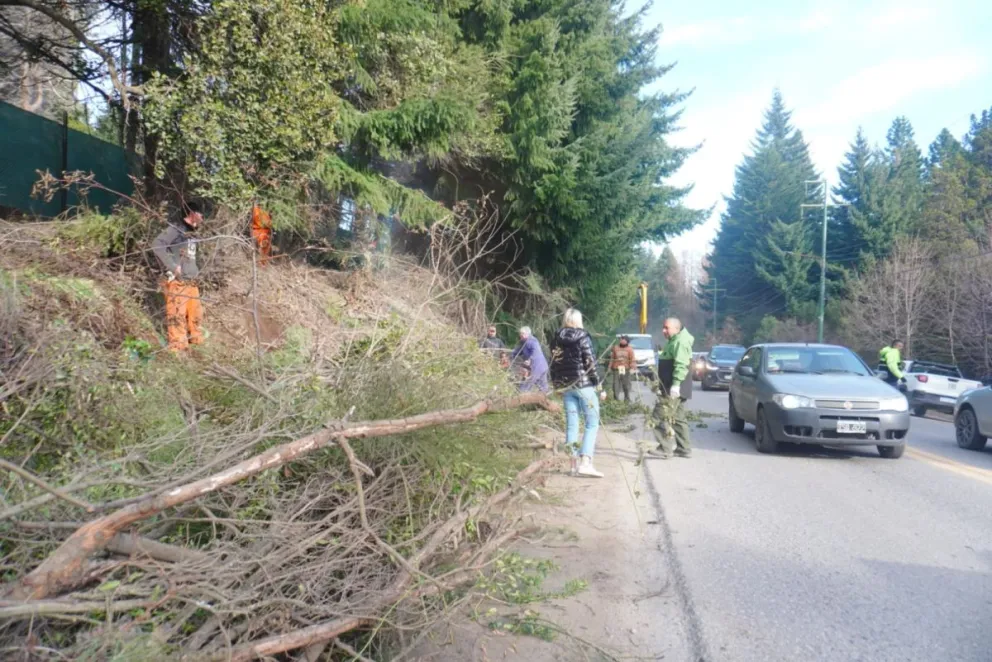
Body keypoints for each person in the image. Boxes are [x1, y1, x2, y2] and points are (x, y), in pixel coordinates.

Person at [550, 308, 605, 478]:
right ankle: (586, 463)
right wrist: (598, 385)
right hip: (584, 386)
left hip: (567, 387)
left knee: (572, 425)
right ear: (579, 320)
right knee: (592, 422)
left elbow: (553, 364)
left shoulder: (556, 339)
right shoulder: (583, 337)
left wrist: (557, 386)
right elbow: (590, 363)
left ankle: (572, 465)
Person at [153, 202, 204, 352]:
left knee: (195, 313)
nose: (203, 217)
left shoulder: (192, 233)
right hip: (177, 282)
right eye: (201, 213)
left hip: (192, 282)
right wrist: (173, 267)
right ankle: (178, 347)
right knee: (177, 314)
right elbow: (157, 244)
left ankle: (196, 341)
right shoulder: (176, 229)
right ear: (192, 214)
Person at [649, 317, 694, 459]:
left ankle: (665, 448)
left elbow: (681, 365)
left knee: (658, 416)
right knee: (678, 418)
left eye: (666, 328)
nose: (663, 331)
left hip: (675, 388)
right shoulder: (674, 340)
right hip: (671, 386)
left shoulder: (680, 342)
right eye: (663, 327)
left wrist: (675, 385)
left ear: (676, 328)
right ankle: (683, 448)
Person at [510, 326, 549, 393]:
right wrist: (511, 356)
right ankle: (543, 397)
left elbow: (536, 352)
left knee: (525, 386)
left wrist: (530, 359)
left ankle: (521, 396)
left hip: (537, 367)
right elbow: (517, 351)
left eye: (522, 333)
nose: (520, 335)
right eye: (520, 333)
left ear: (528, 334)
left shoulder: (533, 341)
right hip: (542, 367)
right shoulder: (523, 342)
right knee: (543, 388)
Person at [609, 335, 637, 402]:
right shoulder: (615, 348)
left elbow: (632, 359)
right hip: (616, 368)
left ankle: (627, 398)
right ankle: (616, 399)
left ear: (627, 341)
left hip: (625, 368)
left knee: (625, 384)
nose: (621, 340)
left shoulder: (630, 349)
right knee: (615, 384)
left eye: (623, 339)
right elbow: (612, 358)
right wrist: (609, 367)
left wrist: (633, 366)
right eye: (621, 339)